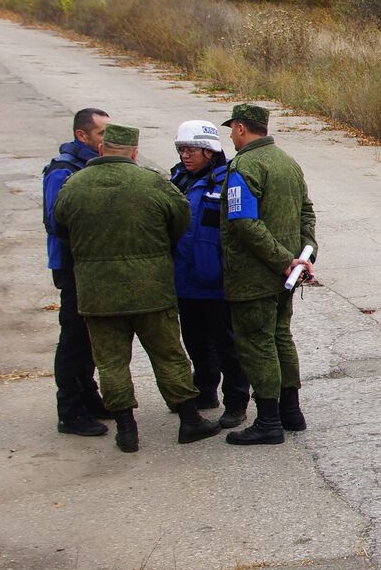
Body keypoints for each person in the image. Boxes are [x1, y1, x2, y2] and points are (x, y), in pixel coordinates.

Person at [53, 124, 221, 453]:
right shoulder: (153, 183)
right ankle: (189, 420)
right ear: (133, 152)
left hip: (98, 294)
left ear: (102, 150)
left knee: (112, 362)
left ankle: (127, 430)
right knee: (169, 356)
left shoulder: (74, 187)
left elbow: (60, 226)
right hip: (151, 290)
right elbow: (180, 220)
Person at [220, 104, 317, 446]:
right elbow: (307, 211)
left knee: (257, 343)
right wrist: (305, 254)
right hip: (285, 275)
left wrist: (282, 261)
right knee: (280, 337)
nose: (231, 135)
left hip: (255, 276)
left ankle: (268, 421)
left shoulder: (244, 166)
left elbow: (244, 222)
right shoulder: (287, 162)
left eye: (232, 128)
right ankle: (292, 412)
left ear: (242, 128)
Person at [170, 120, 251, 428]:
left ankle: (236, 402)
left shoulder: (229, 180)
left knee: (228, 346)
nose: (185, 156)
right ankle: (205, 391)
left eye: (190, 149)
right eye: (181, 149)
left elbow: (242, 228)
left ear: (209, 150)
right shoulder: (177, 179)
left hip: (217, 283)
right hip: (185, 281)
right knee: (194, 340)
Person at [42, 107, 112, 436]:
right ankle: (70, 411)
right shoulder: (63, 171)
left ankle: (89, 397)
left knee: (88, 338)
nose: (106, 140)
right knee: (73, 340)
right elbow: (57, 222)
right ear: (82, 135)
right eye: (101, 134)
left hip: (93, 267)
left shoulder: (92, 166)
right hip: (73, 266)